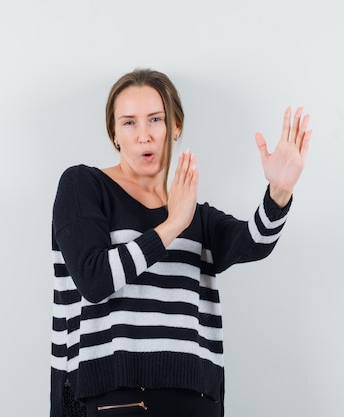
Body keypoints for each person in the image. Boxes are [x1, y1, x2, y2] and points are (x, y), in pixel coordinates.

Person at [50, 68, 311, 417]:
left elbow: (254, 241)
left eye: (155, 120)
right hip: (114, 397)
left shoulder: (194, 215)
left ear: (175, 127)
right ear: (114, 133)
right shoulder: (84, 186)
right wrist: (172, 225)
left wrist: (279, 192)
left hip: (194, 398)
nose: (143, 135)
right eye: (129, 122)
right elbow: (94, 279)